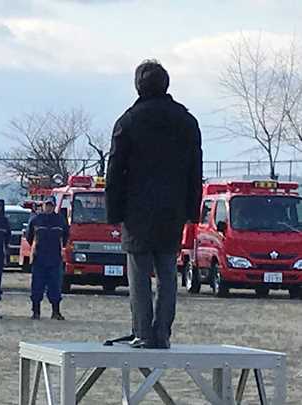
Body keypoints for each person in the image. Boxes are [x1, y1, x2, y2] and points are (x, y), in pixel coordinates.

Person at [105, 59, 202, 349]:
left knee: (138, 272)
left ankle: (142, 331)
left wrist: (113, 212)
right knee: (167, 272)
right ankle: (162, 333)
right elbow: (195, 170)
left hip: (137, 209)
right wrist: (191, 210)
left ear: (138, 86)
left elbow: (115, 170)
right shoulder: (186, 120)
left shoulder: (129, 120)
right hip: (173, 209)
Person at [26, 196, 69, 320]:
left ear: (54, 206)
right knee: (37, 286)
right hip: (39, 258)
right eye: (46, 205)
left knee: (55, 286)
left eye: (51, 205)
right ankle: (36, 312)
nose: (48, 207)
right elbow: (30, 237)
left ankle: (56, 312)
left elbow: (65, 237)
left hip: (55, 259)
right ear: (43, 205)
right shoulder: (36, 219)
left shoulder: (60, 220)